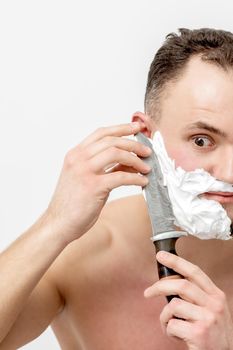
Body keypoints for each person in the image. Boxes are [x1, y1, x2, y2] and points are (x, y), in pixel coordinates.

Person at [1, 28, 233, 350]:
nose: (231, 171)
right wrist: (55, 223)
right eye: (201, 141)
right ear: (147, 136)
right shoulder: (83, 254)